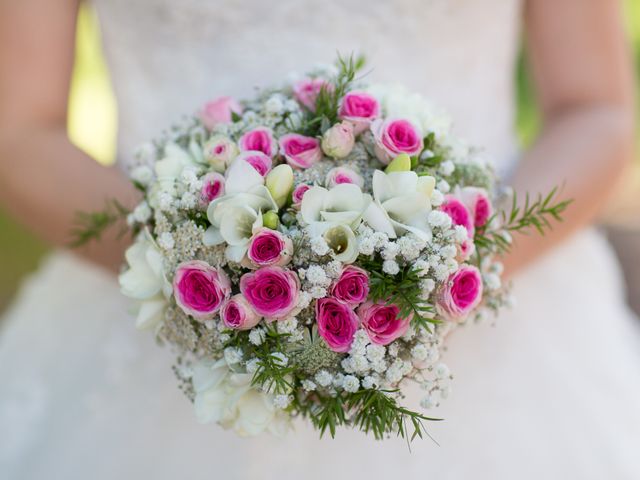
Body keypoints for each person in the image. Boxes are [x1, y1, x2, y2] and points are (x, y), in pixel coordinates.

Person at [1, 0, 639, 478]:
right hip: (151, 328)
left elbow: (595, 109)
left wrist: (443, 270)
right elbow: (18, 131)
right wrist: (202, 269)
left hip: (496, 334)